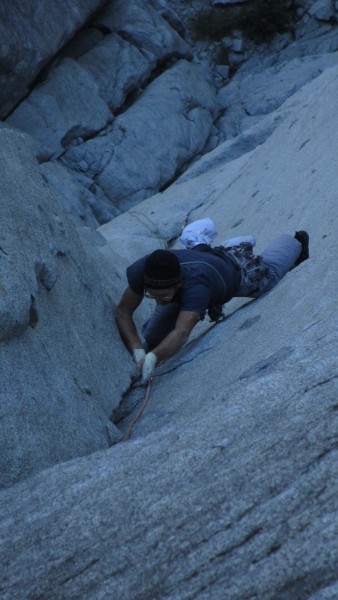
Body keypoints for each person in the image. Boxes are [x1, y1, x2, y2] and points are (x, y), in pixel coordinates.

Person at [115, 222, 309, 384]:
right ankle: (221, 249)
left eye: (163, 296)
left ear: (180, 283)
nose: (159, 301)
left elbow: (182, 332)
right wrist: (138, 351)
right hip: (205, 260)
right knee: (152, 336)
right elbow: (123, 312)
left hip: (238, 274)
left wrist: (153, 357)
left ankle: (292, 242)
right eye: (152, 295)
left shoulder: (197, 286)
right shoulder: (144, 269)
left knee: (270, 274)